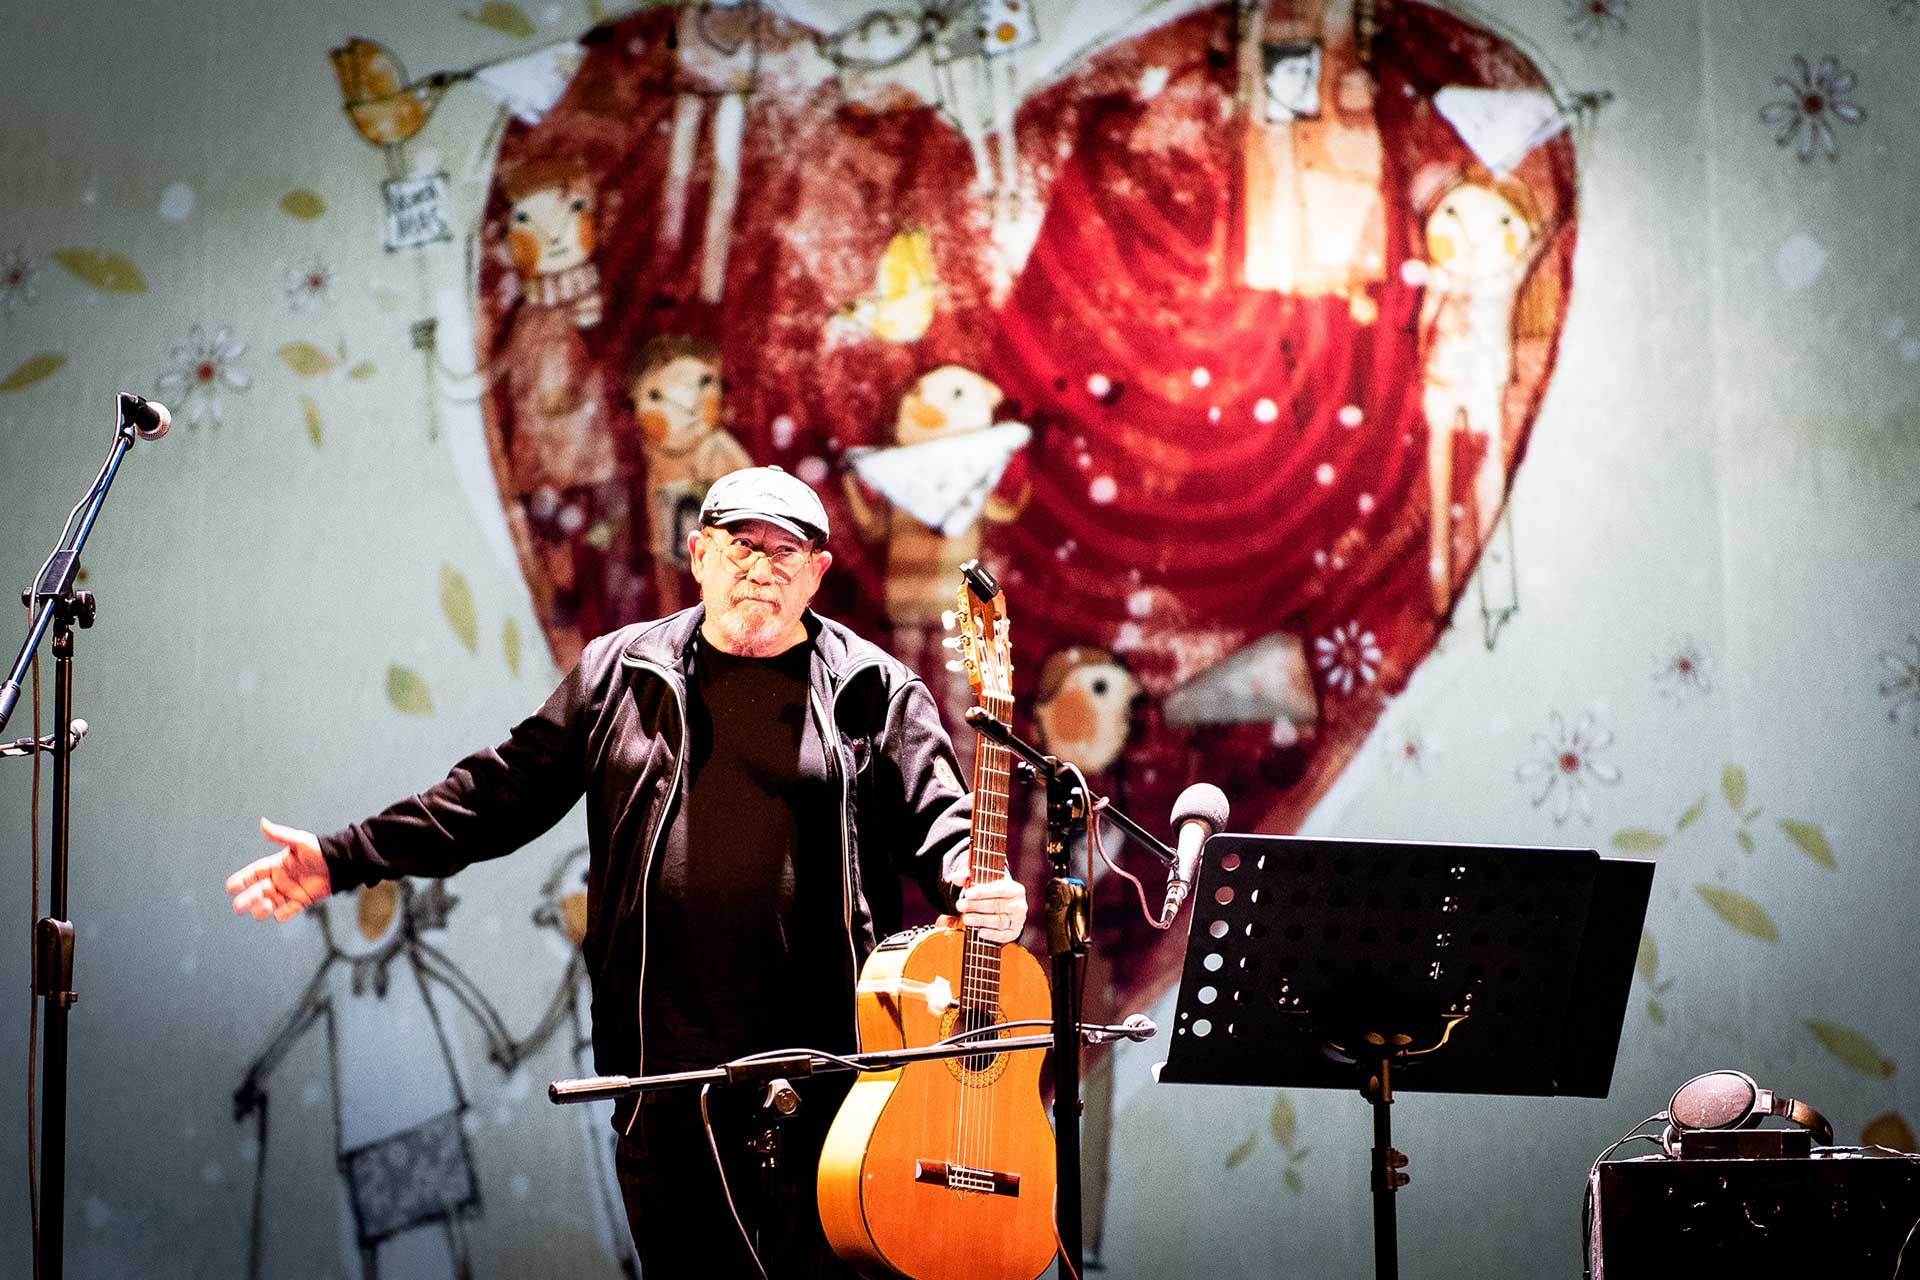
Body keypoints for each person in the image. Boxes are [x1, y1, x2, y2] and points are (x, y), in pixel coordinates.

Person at [228, 465, 1031, 1278]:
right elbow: (490, 797)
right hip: (665, 1080)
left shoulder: (874, 693)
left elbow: (942, 820)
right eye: (742, 546)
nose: (762, 568)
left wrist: (976, 877)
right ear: (699, 554)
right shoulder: (622, 674)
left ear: (818, 573)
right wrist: (342, 858)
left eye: (787, 552)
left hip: (832, 1082)